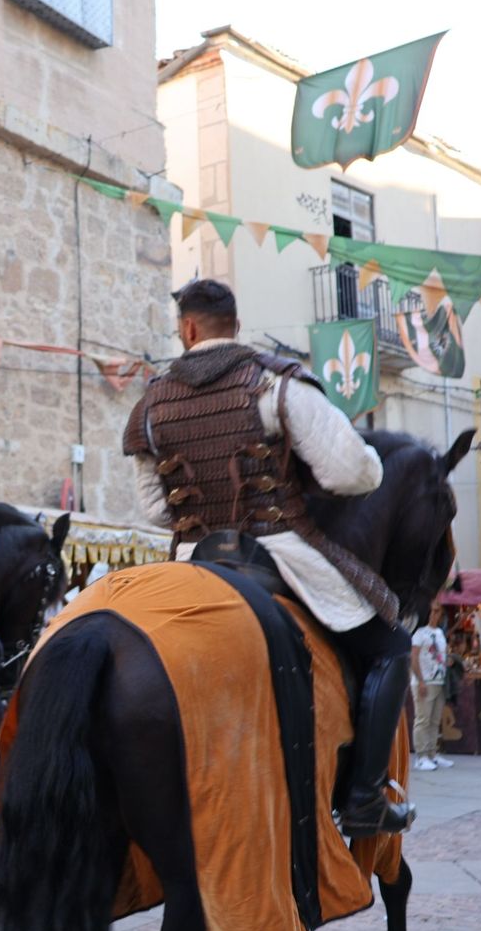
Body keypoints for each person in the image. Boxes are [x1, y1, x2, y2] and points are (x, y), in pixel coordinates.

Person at [123, 278, 410, 838]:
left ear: (186, 329)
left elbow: (156, 509)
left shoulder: (151, 403)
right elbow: (354, 472)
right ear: (234, 323)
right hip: (277, 552)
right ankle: (363, 799)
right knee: (390, 645)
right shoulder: (273, 382)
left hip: (189, 562)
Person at [410, 605, 453, 771]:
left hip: (439, 681)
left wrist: (447, 661)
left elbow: (442, 654)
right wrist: (420, 680)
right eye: (432, 611)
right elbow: (413, 657)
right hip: (425, 681)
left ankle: (432, 753)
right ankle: (421, 756)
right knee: (423, 719)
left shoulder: (440, 633)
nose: (435, 615)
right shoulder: (419, 633)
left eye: (438, 612)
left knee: (435, 720)